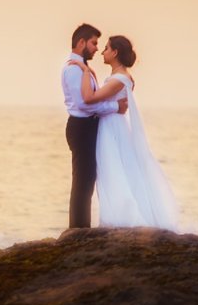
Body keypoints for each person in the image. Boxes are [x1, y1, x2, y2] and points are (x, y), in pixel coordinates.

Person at [72, 35, 178, 229]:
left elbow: (89, 98)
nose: (102, 52)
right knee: (110, 168)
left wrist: (85, 71)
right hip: (111, 123)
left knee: (113, 167)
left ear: (115, 52)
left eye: (106, 48)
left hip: (112, 127)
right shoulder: (118, 77)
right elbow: (104, 98)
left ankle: (121, 217)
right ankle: (113, 215)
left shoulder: (120, 78)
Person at [62, 24, 127, 229]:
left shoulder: (82, 68)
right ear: (81, 42)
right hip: (81, 127)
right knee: (83, 180)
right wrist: (115, 106)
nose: (96, 48)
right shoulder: (74, 69)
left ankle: (80, 228)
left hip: (86, 126)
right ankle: (78, 230)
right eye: (93, 43)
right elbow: (84, 102)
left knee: (87, 180)